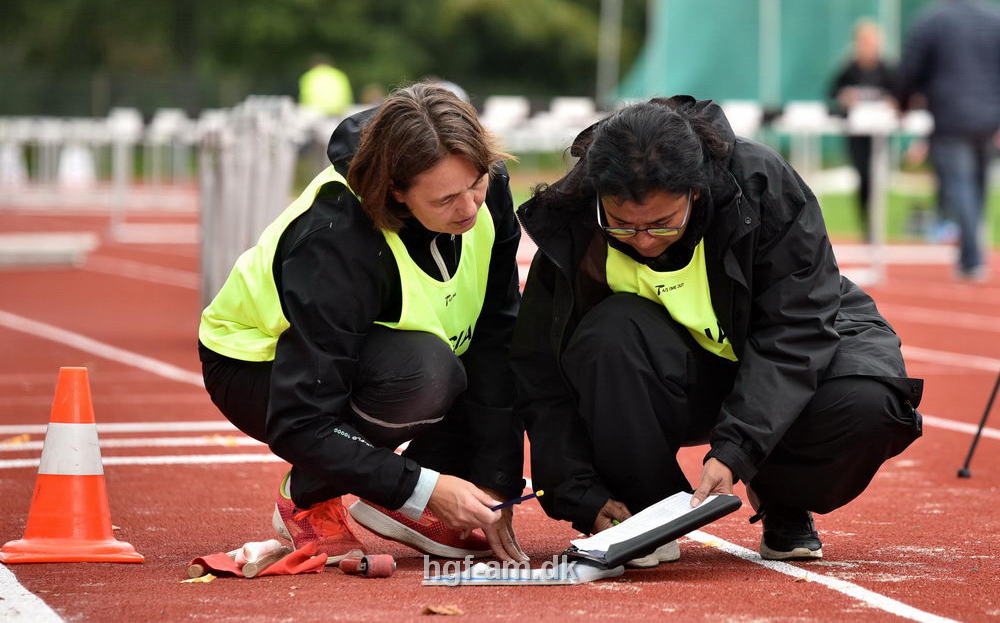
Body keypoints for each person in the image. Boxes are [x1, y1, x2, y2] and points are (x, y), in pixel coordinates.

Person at [511, 96, 923, 566]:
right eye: (622, 225)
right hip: (679, 371)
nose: (643, 240)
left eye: (663, 225)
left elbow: (796, 328)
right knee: (608, 337)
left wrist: (737, 449)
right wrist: (579, 494)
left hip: (782, 346)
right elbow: (540, 370)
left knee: (868, 404)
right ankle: (649, 512)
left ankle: (784, 497)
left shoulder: (762, 186)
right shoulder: (576, 223)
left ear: (697, 192)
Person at [199, 83, 528, 565]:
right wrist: (423, 486)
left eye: (475, 185)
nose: (469, 209)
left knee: (486, 354)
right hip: (258, 364)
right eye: (445, 200)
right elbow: (300, 419)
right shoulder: (336, 238)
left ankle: (398, 505)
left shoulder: (485, 186)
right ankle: (308, 496)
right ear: (395, 192)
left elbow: (499, 338)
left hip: (387, 350)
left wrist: (494, 484)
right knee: (425, 371)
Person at [897, 0, 1000, 281]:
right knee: (979, 186)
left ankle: (971, 258)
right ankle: (971, 251)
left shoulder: (932, 19)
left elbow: (911, 66)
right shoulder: (994, 17)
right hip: (989, 117)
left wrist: (901, 102)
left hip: (949, 115)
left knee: (960, 187)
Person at [828, 20, 896, 241]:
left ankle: (877, 223)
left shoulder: (887, 69)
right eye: (865, 41)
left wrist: (892, 102)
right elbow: (831, 94)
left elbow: (900, 95)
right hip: (856, 134)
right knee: (863, 176)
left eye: (873, 41)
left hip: (880, 133)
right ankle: (867, 224)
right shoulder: (849, 68)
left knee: (878, 177)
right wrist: (844, 98)